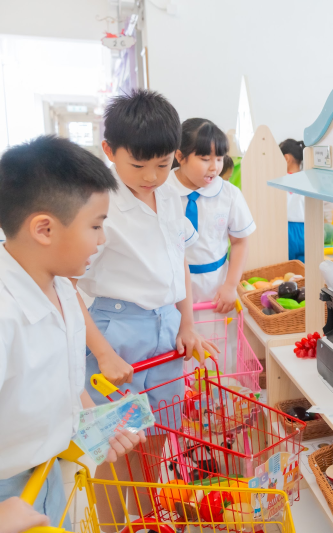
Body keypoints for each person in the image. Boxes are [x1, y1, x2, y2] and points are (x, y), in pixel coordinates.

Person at [76, 91, 219, 521]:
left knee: (158, 435)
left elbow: (179, 262)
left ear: (174, 155)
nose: (151, 176)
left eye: (161, 165)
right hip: (116, 333)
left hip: (166, 329)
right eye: (138, 166)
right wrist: (102, 352)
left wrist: (187, 324)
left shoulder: (172, 197)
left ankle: (143, 520)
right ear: (109, 152)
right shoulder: (99, 206)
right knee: (116, 445)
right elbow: (65, 286)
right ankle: (116, 523)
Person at [0, 136, 142, 527]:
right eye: (95, 226)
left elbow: (64, 375)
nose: (102, 239)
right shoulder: (6, 315)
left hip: (43, 473)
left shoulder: (63, 285)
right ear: (44, 229)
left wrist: (91, 419)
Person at [168, 118, 255, 311]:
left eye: (219, 158)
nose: (215, 167)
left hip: (216, 287)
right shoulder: (161, 191)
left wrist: (231, 286)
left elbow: (240, 242)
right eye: (205, 159)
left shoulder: (230, 194)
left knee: (216, 338)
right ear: (180, 156)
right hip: (171, 287)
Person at [281, 138, 306, 262]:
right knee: (305, 270)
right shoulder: (308, 178)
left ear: (286, 158)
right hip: (306, 230)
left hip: (286, 230)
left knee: (287, 268)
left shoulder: (279, 179)